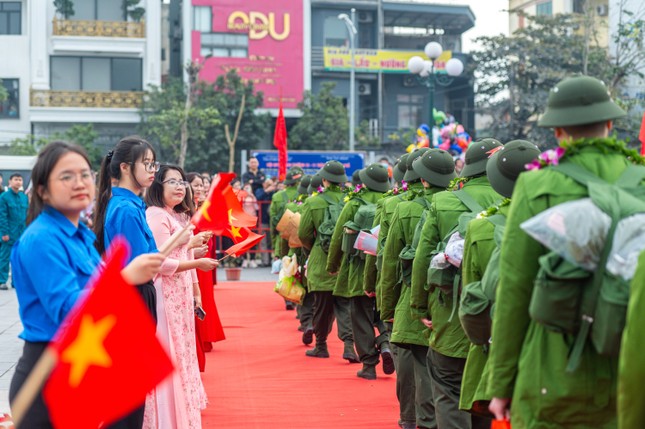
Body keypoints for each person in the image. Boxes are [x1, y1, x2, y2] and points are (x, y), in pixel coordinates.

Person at [487, 75, 630, 428]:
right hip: (630, 361)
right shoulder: (639, 179)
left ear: (558, 132)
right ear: (610, 124)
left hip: (554, 366)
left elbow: (515, 288)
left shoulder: (538, 185)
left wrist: (501, 383)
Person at [8, 141, 166, 428]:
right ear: (42, 189)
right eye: (66, 176)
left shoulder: (79, 235)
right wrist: (125, 278)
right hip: (46, 376)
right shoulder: (42, 239)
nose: (79, 182)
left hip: (80, 367)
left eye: (84, 174)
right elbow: (66, 309)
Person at [410, 138, 503, 429]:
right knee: (485, 392)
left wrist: (420, 306)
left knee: (449, 388)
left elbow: (422, 258)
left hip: (451, 312)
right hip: (500, 317)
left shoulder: (443, 201)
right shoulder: (518, 202)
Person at [458, 140, 539, 420]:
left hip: (496, 339)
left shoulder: (481, 225)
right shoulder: (564, 215)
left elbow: (475, 295)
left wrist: (480, 338)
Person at [93, 135, 169, 428]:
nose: (153, 170)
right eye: (147, 164)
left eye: (154, 164)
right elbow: (143, 267)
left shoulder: (129, 205)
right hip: (133, 300)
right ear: (125, 167)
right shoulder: (125, 209)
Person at [380, 149, 456, 429]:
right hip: (461, 303)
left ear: (422, 179)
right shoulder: (468, 204)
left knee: (418, 367)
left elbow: (387, 261)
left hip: (414, 298)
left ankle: (413, 420)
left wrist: (387, 308)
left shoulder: (402, 207)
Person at [144, 165, 215, 428]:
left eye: (181, 182)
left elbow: (181, 255)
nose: (179, 186)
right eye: (171, 181)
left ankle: (180, 412)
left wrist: (196, 287)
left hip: (181, 293)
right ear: (157, 186)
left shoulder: (177, 215)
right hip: (166, 294)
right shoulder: (155, 215)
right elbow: (161, 263)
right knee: (170, 352)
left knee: (183, 353)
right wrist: (197, 262)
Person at [327, 163, 391, 380]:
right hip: (383, 269)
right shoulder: (393, 201)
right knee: (383, 312)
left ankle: (369, 365)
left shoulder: (354, 203)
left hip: (357, 270)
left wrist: (332, 266)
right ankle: (385, 343)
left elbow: (338, 237)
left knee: (360, 316)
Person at [298, 161, 352, 360]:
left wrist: (314, 247)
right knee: (345, 306)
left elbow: (303, 233)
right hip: (345, 261)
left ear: (324, 180)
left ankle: (321, 345)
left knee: (321, 307)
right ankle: (349, 345)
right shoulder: (350, 201)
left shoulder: (313, 202)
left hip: (321, 261)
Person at [188, 172, 225, 354]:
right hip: (191, 258)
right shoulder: (185, 210)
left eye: (202, 185)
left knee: (206, 296)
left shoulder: (204, 208)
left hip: (204, 254)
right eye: (196, 185)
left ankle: (206, 336)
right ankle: (198, 337)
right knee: (196, 295)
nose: (200, 188)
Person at [270, 167, 303, 309]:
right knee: (300, 267)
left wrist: (274, 241)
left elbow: (273, 222)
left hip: (283, 237)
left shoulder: (277, 197)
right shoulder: (305, 196)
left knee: (286, 267)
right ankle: (300, 295)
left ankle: (288, 296)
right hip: (301, 238)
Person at [0, 173, 28, 290]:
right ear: (10, 182)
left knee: (18, 258)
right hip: (9, 232)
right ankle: (2, 281)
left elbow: (26, 216)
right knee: (5, 257)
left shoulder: (24, 197)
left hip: (21, 232)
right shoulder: (4, 197)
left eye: (20, 180)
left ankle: (15, 282)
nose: (18, 182)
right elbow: (2, 216)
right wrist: (4, 233)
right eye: (16, 179)